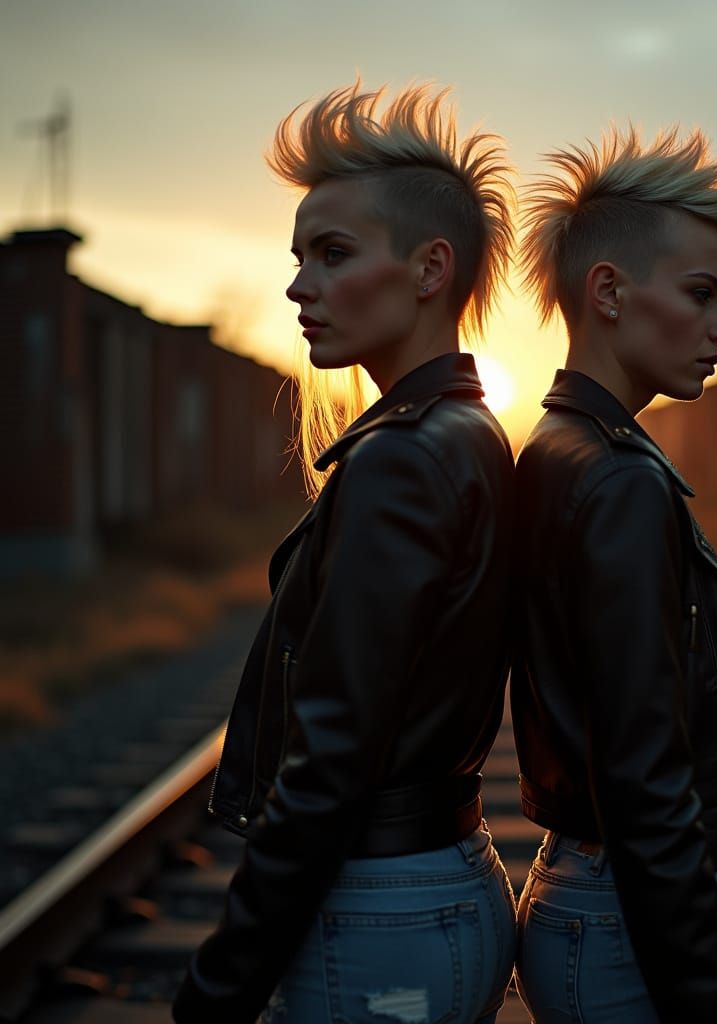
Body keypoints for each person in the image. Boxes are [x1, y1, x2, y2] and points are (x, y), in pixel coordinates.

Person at [173, 82, 518, 1023]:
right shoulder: (468, 430)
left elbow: (329, 761)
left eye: (332, 254)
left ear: (428, 268)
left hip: (380, 923)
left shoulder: (401, 460)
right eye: (299, 257)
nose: (298, 285)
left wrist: (220, 986)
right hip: (440, 885)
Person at [511, 125, 717, 1023]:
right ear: (611, 291)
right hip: (632, 930)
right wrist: (705, 995)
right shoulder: (622, 479)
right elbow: (645, 772)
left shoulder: (558, 448)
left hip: (593, 900)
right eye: (703, 293)